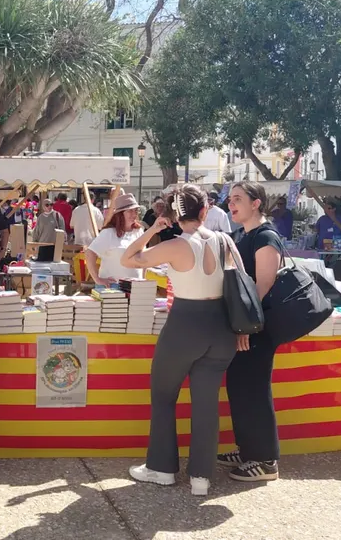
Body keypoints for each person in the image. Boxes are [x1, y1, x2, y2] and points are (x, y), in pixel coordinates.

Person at [119, 184, 242, 496]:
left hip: (185, 324)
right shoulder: (225, 240)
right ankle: (201, 477)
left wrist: (152, 229)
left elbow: (128, 259)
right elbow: (243, 281)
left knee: (163, 395)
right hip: (222, 327)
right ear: (204, 211)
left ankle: (162, 468)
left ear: (174, 215)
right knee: (206, 403)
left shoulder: (175, 245)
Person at [220, 181, 284, 482]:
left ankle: (265, 460)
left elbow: (264, 284)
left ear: (256, 203)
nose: (231, 204)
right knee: (239, 387)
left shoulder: (265, 236)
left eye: (238, 199)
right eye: (230, 199)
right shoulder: (240, 235)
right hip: (242, 324)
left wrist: (245, 324)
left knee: (254, 390)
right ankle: (248, 449)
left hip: (257, 326)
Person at [85, 194, 144, 287]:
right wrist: (97, 279)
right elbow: (89, 254)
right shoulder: (108, 233)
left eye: (136, 210)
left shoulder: (139, 231)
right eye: (130, 211)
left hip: (136, 287)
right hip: (112, 287)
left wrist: (143, 280)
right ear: (120, 214)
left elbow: (143, 258)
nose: (134, 214)